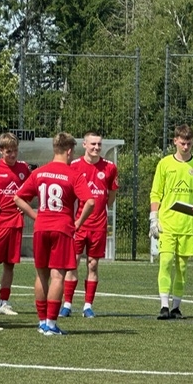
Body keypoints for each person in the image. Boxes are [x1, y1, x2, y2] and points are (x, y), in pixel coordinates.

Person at [14, 132, 95, 336]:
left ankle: (42, 321)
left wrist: (36, 215)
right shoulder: (73, 174)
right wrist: (78, 223)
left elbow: (17, 198)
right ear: (69, 151)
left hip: (41, 228)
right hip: (62, 228)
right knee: (57, 275)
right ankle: (51, 323)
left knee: (41, 274)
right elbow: (90, 202)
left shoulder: (39, 173)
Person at [150, 124, 193, 320]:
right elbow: (156, 192)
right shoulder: (165, 163)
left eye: (189, 143)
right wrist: (153, 218)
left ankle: (176, 307)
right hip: (167, 223)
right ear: (175, 141)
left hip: (187, 224)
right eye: (182, 143)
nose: (186, 147)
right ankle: (164, 306)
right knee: (165, 262)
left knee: (182, 267)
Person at [60, 131, 119, 318]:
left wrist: (101, 210)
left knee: (93, 265)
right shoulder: (74, 165)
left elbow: (111, 195)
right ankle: (67, 304)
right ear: (84, 145)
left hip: (98, 225)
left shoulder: (110, 167)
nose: (96, 147)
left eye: (99, 144)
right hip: (78, 224)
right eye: (93, 144)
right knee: (73, 263)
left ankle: (87, 306)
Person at [0, 132, 31, 316]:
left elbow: (31, 189)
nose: (12, 155)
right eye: (8, 152)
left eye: (15, 151)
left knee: (9, 265)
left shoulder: (23, 168)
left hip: (15, 222)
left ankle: (3, 303)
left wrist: (25, 205)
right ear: (1, 151)